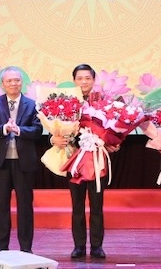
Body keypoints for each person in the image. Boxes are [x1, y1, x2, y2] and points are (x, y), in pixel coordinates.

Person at [51, 63, 115, 260]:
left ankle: (97, 246)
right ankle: (78, 245)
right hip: (74, 159)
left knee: (97, 205)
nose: (84, 81)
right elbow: (55, 127)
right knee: (77, 205)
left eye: (88, 78)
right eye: (80, 78)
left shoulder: (104, 102)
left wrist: (114, 142)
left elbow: (113, 129)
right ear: (74, 81)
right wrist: (54, 138)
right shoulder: (67, 102)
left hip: (97, 159)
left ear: (94, 80)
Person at [0, 66, 42, 252]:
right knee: (1, 205)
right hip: (1, 162)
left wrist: (19, 130)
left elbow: (38, 130)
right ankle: (1, 248)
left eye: (16, 80)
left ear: (21, 82)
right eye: (9, 81)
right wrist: (4, 129)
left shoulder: (32, 104)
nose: (13, 84)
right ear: (2, 84)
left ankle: (26, 248)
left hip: (23, 161)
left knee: (25, 206)